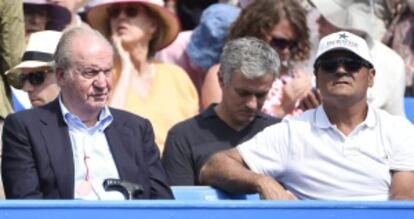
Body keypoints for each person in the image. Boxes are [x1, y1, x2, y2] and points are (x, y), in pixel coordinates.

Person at [200, 31, 414, 200]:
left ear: (370, 77)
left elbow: (404, 200)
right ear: (317, 78)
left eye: (352, 64)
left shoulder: (398, 130)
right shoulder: (292, 131)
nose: (340, 70)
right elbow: (214, 167)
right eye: (330, 65)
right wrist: (262, 182)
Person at [1, 26, 173, 200]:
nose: (101, 83)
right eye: (90, 72)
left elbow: (163, 203)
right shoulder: (25, 128)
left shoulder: (137, 128)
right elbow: (27, 207)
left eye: (106, 72)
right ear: (61, 76)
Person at [162, 37, 280, 185]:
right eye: (243, 93)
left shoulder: (280, 133)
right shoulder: (184, 137)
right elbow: (180, 204)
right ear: (222, 80)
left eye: (261, 95)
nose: (252, 104)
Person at [86, 0, 199, 152]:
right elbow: (105, 130)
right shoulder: (100, 75)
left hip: (175, 170)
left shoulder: (176, 75)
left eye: (131, 11)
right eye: (114, 12)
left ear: (152, 25)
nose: (121, 17)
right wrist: (126, 69)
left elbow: (193, 138)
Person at [201, 0, 315, 118]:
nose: (286, 51)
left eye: (293, 45)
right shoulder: (223, 75)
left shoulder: (298, 77)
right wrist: (282, 109)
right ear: (254, 32)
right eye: (279, 42)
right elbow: (222, 130)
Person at [311, 0, 406, 116]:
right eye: (329, 65)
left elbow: (396, 123)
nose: (317, 21)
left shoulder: (391, 63)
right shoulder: (311, 49)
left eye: (325, 18)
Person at [6, 30, 61, 107]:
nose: (26, 88)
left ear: (62, 75)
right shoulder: (20, 118)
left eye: (36, 77)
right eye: (23, 78)